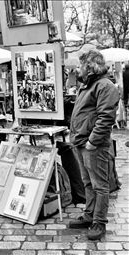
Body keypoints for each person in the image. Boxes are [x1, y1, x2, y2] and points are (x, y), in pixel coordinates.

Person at [68, 50, 119, 240]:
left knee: (100, 185)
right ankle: (89, 215)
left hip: (93, 144)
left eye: (81, 65)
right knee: (88, 182)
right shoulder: (88, 85)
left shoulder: (105, 86)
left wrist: (92, 142)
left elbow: (106, 118)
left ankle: (99, 222)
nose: (78, 69)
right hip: (82, 142)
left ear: (89, 67)